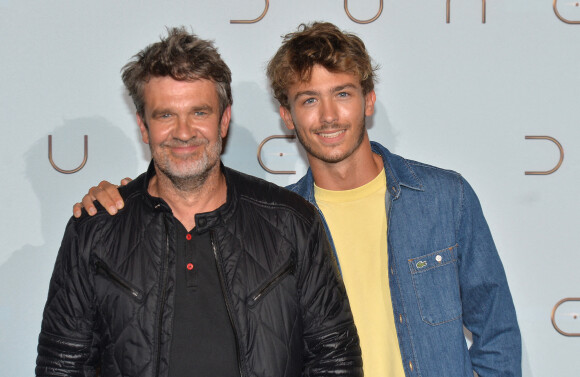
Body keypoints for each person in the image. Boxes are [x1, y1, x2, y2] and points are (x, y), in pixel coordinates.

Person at [75, 22, 522, 377]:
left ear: (368, 101)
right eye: (309, 100)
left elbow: (496, 329)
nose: (328, 116)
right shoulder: (278, 221)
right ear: (287, 116)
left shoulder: (444, 198)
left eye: (343, 94)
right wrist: (125, 197)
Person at [37, 26, 363, 377]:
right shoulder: (95, 230)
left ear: (223, 120)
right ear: (143, 127)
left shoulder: (291, 221)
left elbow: (335, 361)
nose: (183, 131)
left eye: (199, 112)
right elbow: (62, 366)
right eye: (165, 115)